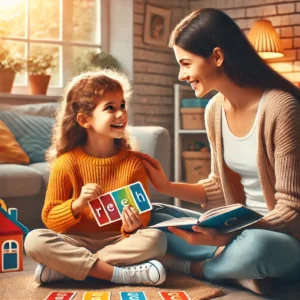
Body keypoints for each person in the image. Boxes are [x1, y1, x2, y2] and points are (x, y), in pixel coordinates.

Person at [135, 8, 300, 295]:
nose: (181, 74)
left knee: (257, 248)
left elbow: (291, 209)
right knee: (152, 214)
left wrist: (229, 234)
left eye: (186, 63)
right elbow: (217, 187)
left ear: (218, 57)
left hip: (280, 237)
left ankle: (200, 269)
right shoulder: (214, 111)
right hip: (234, 231)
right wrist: (165, 186)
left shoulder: (281, 107)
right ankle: (237, 271)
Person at [24, 69, 167, 286]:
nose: (121, 114)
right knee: (34, 240)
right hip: (75, 242)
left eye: (122, 105)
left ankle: (67, 269)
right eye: (110, 108)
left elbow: (143, 214)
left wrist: (133, 226)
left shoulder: (132, 163)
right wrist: (78, 203)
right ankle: (118, 274)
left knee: (156, 240)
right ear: (84, 120)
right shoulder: (66, 163)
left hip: (118, 241)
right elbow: (50, 219)